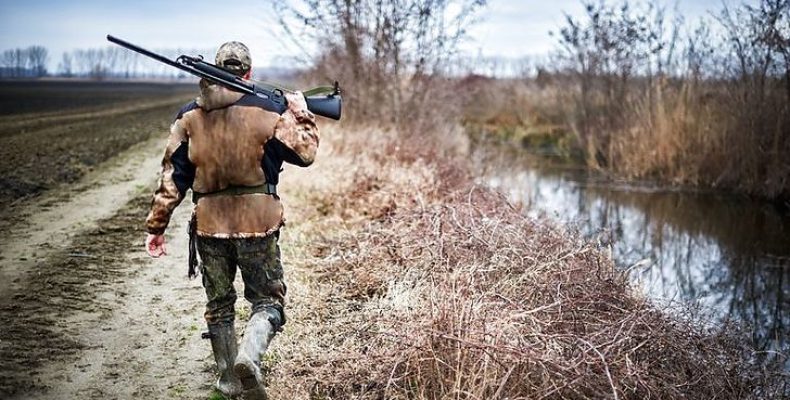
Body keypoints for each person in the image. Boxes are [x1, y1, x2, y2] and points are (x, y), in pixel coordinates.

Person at [143, 41, 319, 399]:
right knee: (268, 303)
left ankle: (227, 382)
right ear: (249, 73)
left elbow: (172, 177)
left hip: (209, 226)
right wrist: (300, 113)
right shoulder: (270, 110)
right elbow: (306, 154)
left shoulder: (188, 116)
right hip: (260, 222)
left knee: (219, 306)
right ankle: (249, 357)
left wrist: (156, 226)